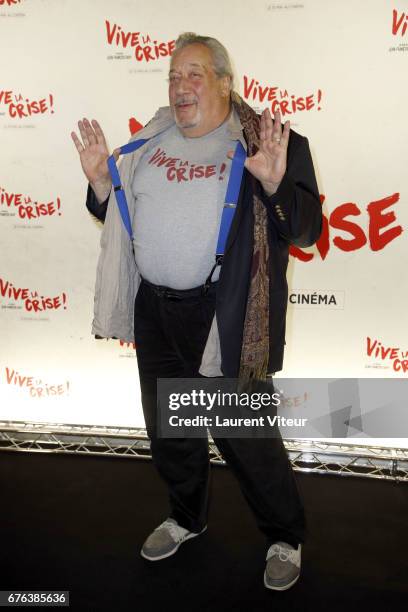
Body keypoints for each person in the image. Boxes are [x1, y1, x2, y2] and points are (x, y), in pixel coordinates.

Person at [71, 32, 322, 591]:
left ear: (225, 84)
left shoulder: (267, 142)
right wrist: (98, 186)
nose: (180, 87)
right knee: (170, 431)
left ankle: (285, 534)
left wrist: (278, 183)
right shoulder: (149, 139)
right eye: (173, 76)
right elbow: (120, 210)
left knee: (245, 438)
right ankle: (186, 517)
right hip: (155, 311)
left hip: (221, 314)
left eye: (195, 74)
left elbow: (305, 228)